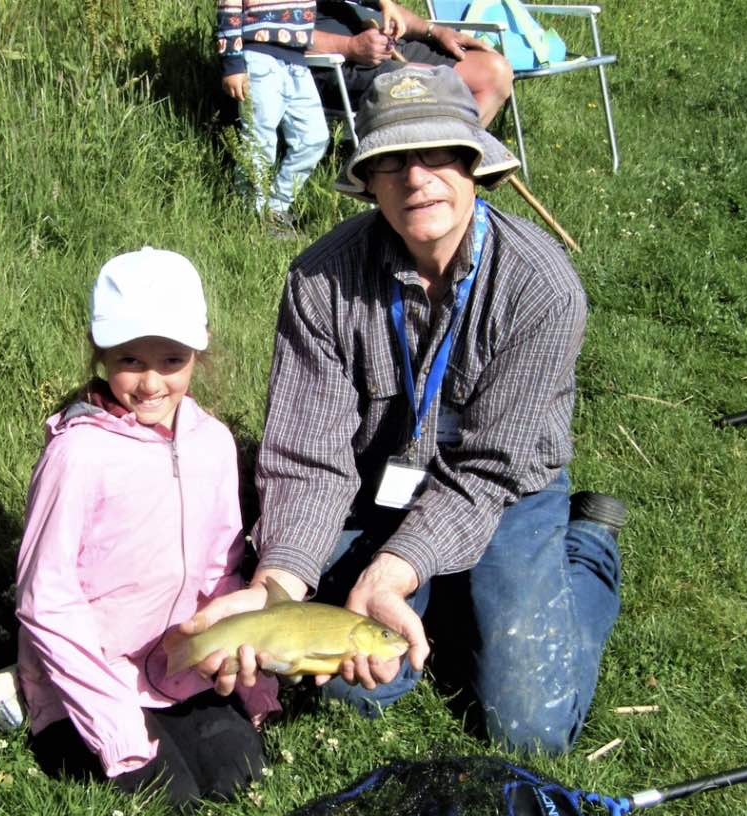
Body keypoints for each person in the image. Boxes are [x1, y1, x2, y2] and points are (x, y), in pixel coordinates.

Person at [182, 66, 624, 757]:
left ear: (474, 165)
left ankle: (588, 548)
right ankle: (447, 590)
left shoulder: (543, 288)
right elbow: (309, 457)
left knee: (531, 731)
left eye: (440, 155)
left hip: (504, 492)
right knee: (359, 685)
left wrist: (390, 570)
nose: (417, 179)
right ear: (368, 181)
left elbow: (490, 470)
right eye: (391, 162)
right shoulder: (319, 279)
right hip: (375, 479)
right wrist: (279, 587)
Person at [15, 247, 279, 805]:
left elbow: (222, 569)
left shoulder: (212, 442)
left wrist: (248, 679)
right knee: (170, 797)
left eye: (171, 359)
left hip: (175, 663)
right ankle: (31, 698)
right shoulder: (78, 455)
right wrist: (114, 726)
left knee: (239, 776)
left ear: (197, 353)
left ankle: (164, 714)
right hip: (89, 675)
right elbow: (46, 599)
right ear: (100, 353)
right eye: (130, 360)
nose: (151, 382)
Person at [217, 0, 330, 235]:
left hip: (297, 60)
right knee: (260, 141)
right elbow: (229, 7)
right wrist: (232, 62)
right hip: (258, 55)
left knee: (315, 138)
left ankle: (276, 208)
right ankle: (251, 216)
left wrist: (384, 5)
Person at [308, 0, 513, 126]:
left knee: (495, 72)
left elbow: (387, 11)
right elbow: (279, 33)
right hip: (338, 62)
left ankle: (458, 161)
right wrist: (350, 46)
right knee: (436, 84)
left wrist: (434, 31)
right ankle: (429, 170)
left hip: (391, 45)